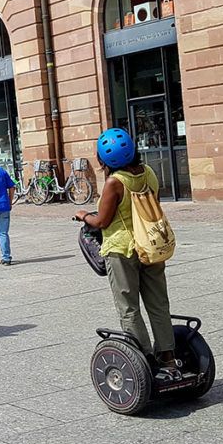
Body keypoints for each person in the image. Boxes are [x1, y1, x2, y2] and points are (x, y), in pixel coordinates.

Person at [75, 128, 180, 381]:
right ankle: (168, 358)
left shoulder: (115, 182)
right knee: (158, 304)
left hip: (122, 251)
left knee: (129, 307)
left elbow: (102, 220)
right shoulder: (149, 173)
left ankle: (144, 361)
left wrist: (83, 215)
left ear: (103, 160)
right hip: (151, 246)